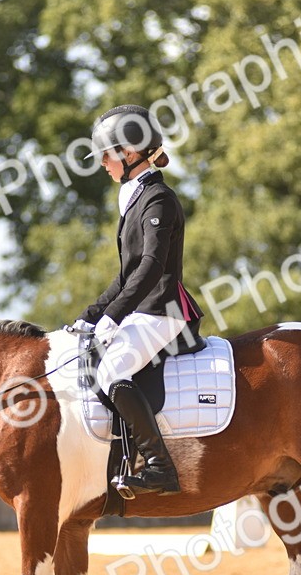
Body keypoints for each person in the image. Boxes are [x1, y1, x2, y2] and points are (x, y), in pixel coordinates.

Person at [69, 105, 204, 496]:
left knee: (111, 372)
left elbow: (150, 268)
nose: (102, 165)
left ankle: (160, 465)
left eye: (106, 156)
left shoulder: (158, 199)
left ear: (129, 153)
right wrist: (91, 316)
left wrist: (114, 317)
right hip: (143, 308)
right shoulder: (134, 199)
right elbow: (126, 275)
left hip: (164, 309)